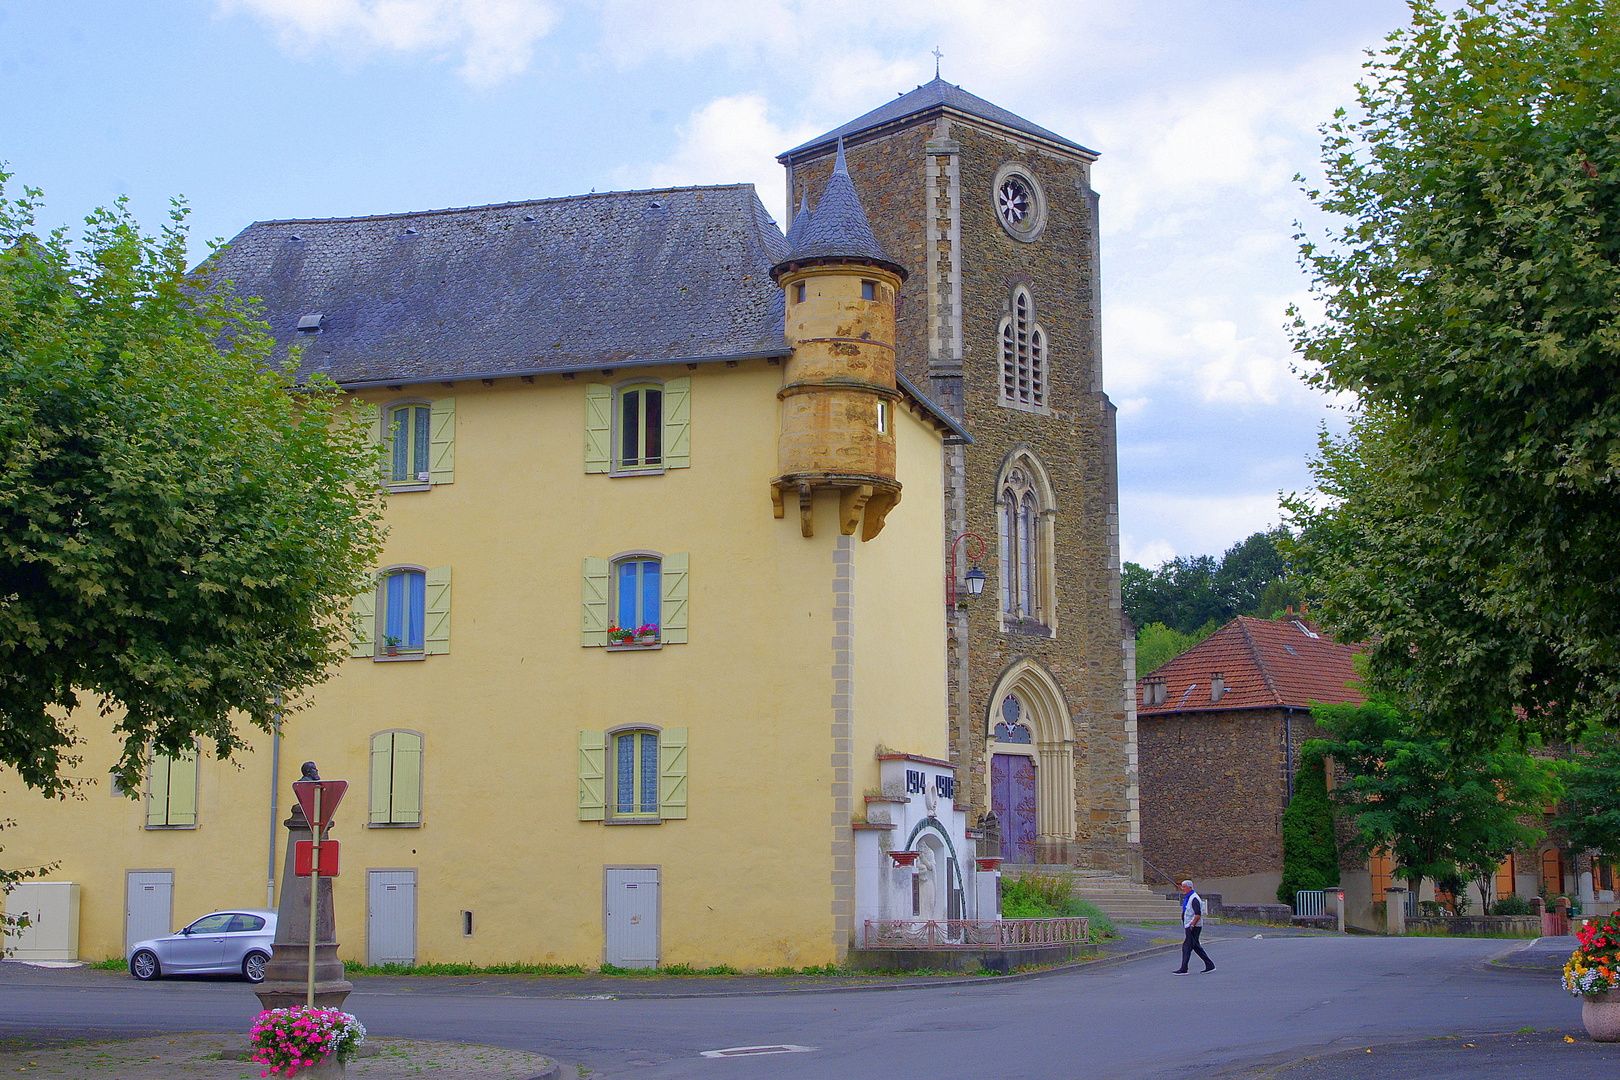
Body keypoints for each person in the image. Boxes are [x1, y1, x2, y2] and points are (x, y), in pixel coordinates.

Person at [1172, 878, 1215, 975]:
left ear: (1190, 887)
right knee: (1195, 946)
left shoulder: (1194, 898)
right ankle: (1209, 965)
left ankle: (1184, 968)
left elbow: (1198, 914)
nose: (1182, 889)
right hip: (1189, 925)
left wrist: (1192, 925)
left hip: (1193, 927)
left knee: (1187, 946)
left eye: (1184, 887)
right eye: (1182, 887)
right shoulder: (1190, 897)